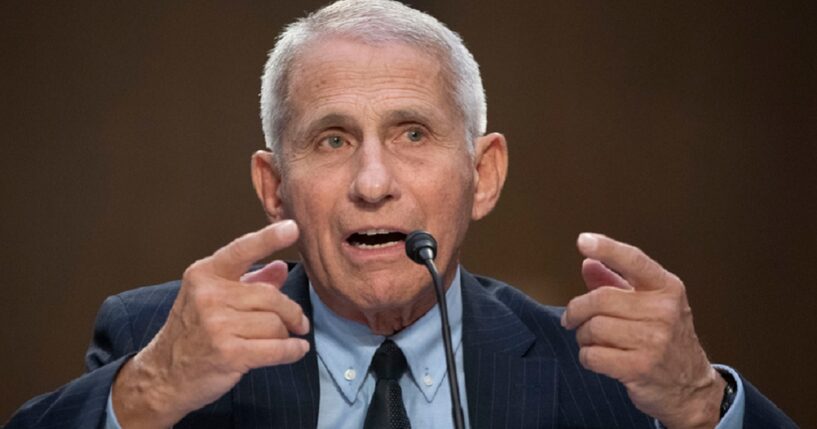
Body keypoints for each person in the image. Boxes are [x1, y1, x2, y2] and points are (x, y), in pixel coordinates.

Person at [6, 1, 795, 428]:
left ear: (482, 175)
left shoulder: (603, 379)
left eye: (412, 133)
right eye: (332, 138)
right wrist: (142, 396)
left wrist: (699, 404)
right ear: (273, 187)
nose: (372, 182)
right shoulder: (156, 348)